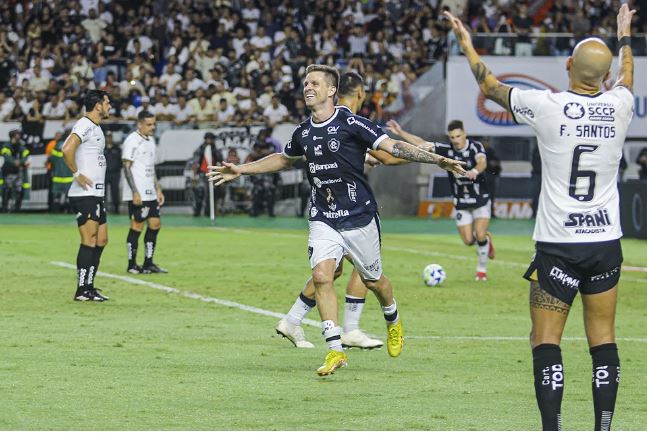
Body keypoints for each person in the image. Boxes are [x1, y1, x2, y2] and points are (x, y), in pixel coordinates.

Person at [446, 5, 635, 430]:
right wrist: (625, 35)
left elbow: (490, 87)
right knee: (603, 338)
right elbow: (627, 76)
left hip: (558, 248)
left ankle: (553, 428)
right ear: (605, 78)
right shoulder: (621, 106)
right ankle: (603, 426)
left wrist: (466, 43)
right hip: (605, 245)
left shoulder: (546, 106)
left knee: (545, 340)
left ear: (568, 66)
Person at [209, 64, 465, 376]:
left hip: (359, 217)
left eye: (314, 83)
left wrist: (438, 159)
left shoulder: (352, 123)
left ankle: (393, 318)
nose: (308, 87)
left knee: (375, 282)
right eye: (305, 83)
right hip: (323, 216)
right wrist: (241, 169)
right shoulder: (303, 132)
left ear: (331, 90)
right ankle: (335, 349)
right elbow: (283, 159)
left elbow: (392, 148)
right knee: (321, 276)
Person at [387, 119, 495, 281]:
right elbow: (422, 144)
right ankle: (485, 240)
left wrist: (474, 171)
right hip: (461, 203)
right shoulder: (447, 150)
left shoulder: (475, 147)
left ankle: (481, 270)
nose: (456, 140)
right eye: (452, 137)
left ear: (464, 133)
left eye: (458, 136)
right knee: (468, 241)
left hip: (481, 199)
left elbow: (482, 163)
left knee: (479, 234)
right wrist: (401, 133)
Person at [62, 89, 112, 302]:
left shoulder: (96, 128)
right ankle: (82, 289)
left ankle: (89, 286)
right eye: (107, 102)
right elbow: (67, 149)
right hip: (85, 194)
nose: (109, 106)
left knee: (101, 239)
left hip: (96, 193)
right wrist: (76, 174)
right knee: (89, 240)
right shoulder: (83, 124)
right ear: (98, 105)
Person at [122, 111, 167, 274]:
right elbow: (126, 167)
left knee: (155, 224)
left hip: (150, 192)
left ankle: (148, 262)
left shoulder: (151, 141)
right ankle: (132, 264)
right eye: (149, 124)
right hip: (138, 192)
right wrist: (134, 192)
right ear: (139, 124)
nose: (152, 127)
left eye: (154, 124)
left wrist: (158, 188)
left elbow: (151, 167)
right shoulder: (132, 141)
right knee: (137, 226)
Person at [190, 132, 224, 217]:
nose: (210, 141)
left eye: (212, 139)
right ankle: (197, 212)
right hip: (202, 173)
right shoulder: (200, 149)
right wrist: (194, 175)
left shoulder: (215, 150)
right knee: (200, 192)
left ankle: (208, 212)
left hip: (213, 174)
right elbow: (195, 162)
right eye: (209, 139)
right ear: (205, 139)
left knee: (211, 194)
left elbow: (221, 160)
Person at [1, 129, 30, 213]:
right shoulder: (6, 145)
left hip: (18, 172)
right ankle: (4, 208)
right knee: (6, 190)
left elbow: (26, 154)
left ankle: (17, 209)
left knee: (19, 190)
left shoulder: (21, 145)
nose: (18, 136)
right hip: (8, 171)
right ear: (12, 136)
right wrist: (14, 162)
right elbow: (6, 156)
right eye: (17, 135)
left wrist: (20, 162)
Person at [46, 131, 73, 212]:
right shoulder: (71, 145)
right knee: (69, 197)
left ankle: (55, 211)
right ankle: (68, 211)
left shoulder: (56, 145)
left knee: (56, 197)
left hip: (57, 177)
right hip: (68, 177)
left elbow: (51, 158)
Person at [104, 131, 122, 214]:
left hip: (115, 174)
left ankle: (116, 209)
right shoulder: (102, 148)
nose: (108, 138)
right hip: (104, 173)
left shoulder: (117, 148)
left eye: (110, 136)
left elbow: (120, 161)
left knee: (115, 191)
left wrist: (118, 169)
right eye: (107, 137)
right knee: (103, 192)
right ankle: (103, 208)